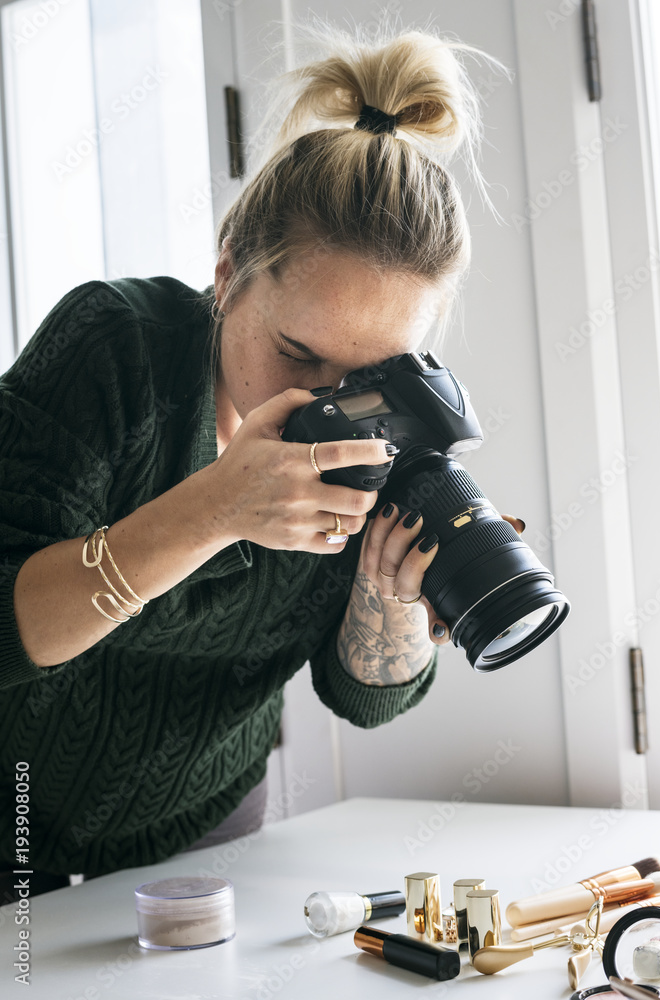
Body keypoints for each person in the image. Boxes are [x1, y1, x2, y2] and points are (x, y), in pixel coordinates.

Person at [0, 24, 516, 899]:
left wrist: (389, 604)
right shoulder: (117, 348)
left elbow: (364, 699)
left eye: (368, 376)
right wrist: (213, 509)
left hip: (207, 839)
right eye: (296, 352)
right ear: (230, 272)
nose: (326, 402)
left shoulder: (394, 429)